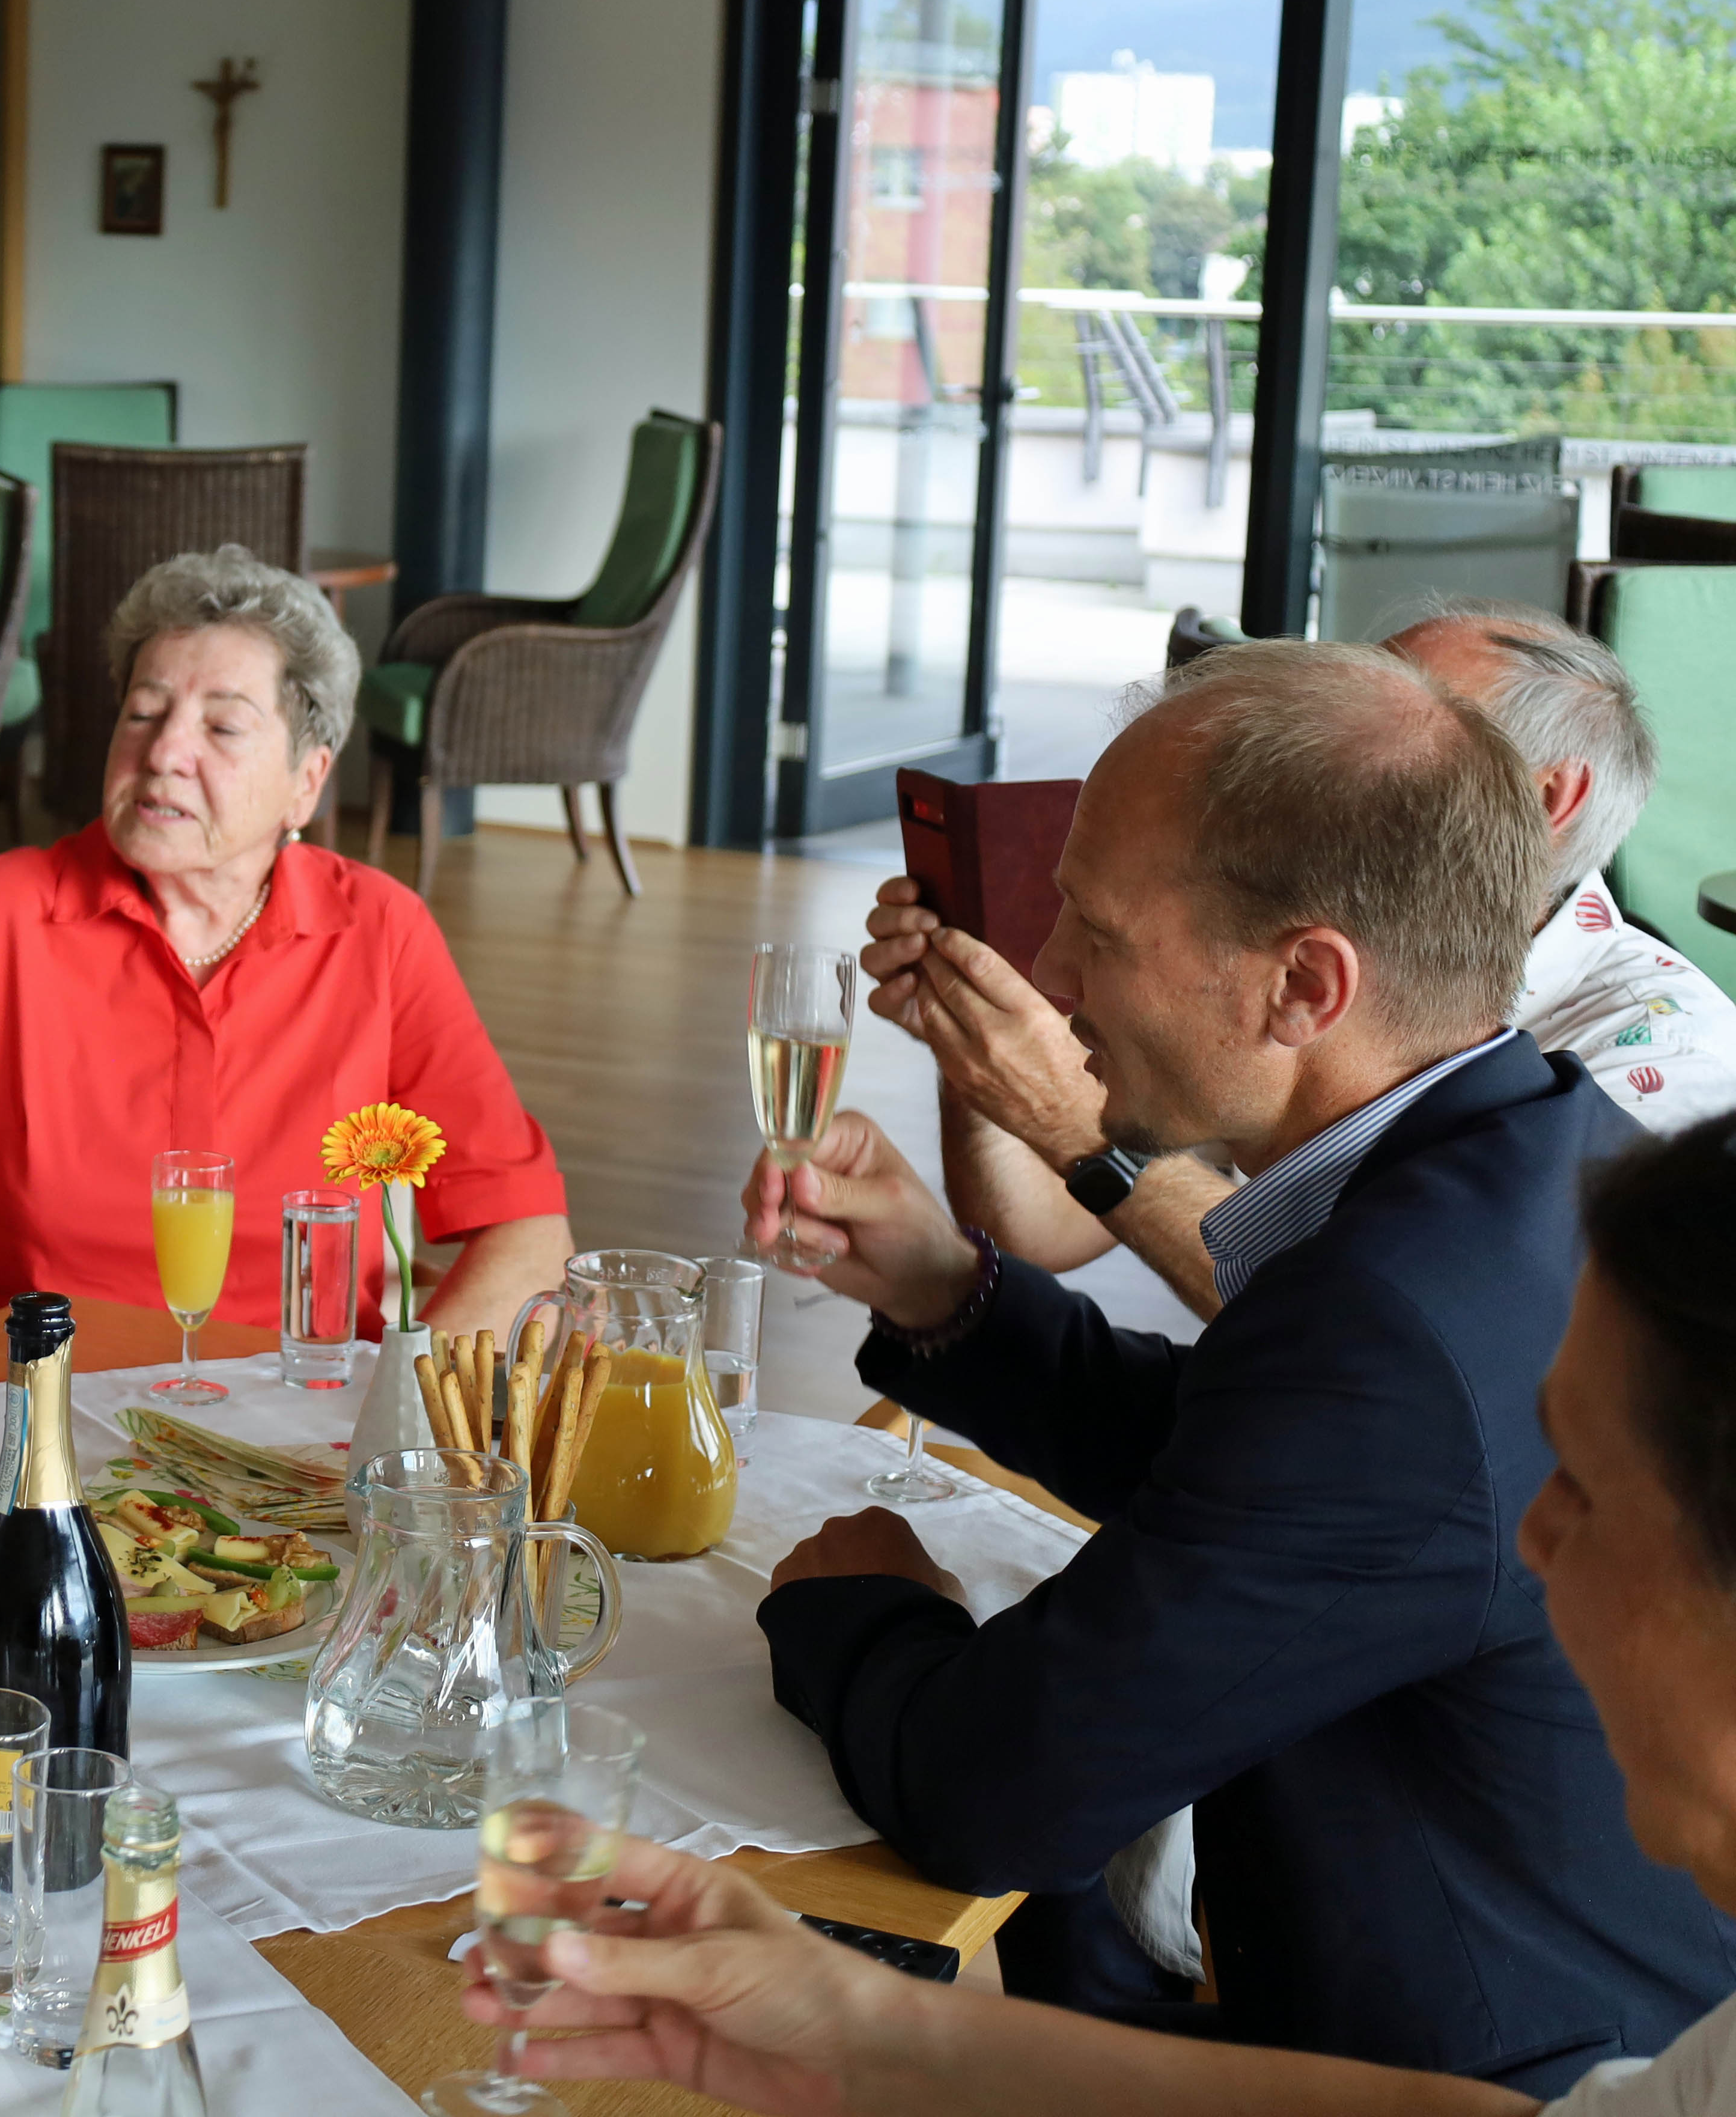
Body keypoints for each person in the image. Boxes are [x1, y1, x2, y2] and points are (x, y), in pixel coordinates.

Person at [742, 638, 1734, 2090]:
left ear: (1305, 985)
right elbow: (1258, 1464)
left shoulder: (1399, 1321)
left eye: (1096, 928)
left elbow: (997, 1793)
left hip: (1472, 2066)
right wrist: (951, 1295)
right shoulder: (1526, 1141)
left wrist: (864, 1610)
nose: (1055, 976)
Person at [477, 1107, 1736, 2117]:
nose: (1531, 1532)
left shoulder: (1422, 1281)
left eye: (1580, 1483)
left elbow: (1004, 1788)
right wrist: (856, 2031)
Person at [0, 547, 572, 1401]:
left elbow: (527, 1232)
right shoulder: (8, 910)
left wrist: (395, 1422)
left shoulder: (380, 932)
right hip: (39, 1432)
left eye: (221, 727)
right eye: (144, 712)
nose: (165, 752)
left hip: (298, 1439)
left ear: (307, 782)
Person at [867, 599, 1733, 1321]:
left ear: (1549, 799)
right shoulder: (1313, 973)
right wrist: (977, 1025)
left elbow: (1437, 1356)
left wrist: (1067, 1120)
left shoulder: (1666, 1064)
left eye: (1418, 713)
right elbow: (1052, 1227)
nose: (1335, 742)